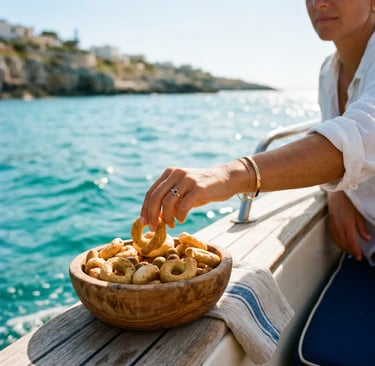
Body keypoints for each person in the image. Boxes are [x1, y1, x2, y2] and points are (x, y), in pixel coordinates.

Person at [141, 0, 375, 264]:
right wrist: (336, 193)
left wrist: (230, 176)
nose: (318, 3)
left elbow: (358, 136)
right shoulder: (328, 72)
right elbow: (349, 146)